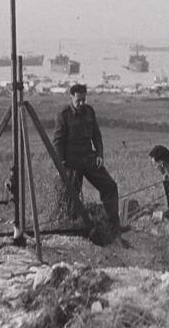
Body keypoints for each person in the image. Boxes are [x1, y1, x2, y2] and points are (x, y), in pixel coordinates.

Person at [52, 83, 128, 237]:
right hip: (71, 162)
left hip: (89, 158)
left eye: (83, 100)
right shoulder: (63, 115)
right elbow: (58, 142)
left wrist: (99, 154)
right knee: (69, 196)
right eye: (78, 100)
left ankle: (114, 226)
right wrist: (60, 166)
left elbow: (96, 135)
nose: (81, 104)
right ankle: (69, 228)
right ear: (71, 97)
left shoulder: (89, 111)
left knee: (110, 186)